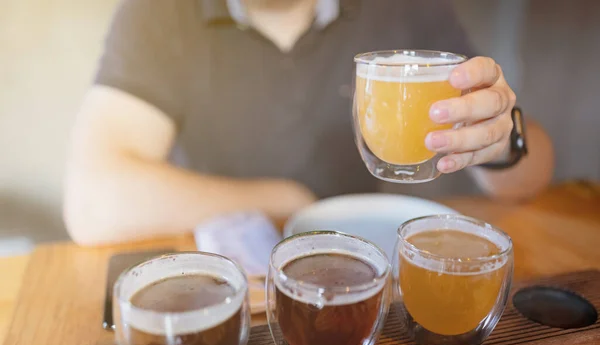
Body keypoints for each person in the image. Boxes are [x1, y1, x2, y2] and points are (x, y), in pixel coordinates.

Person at [64, 0, 554, 246]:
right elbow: (92, 200)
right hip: (226, 282)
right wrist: (290, 201)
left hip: (360, 267)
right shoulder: (161, 13)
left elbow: (530, 175)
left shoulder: (404, 8)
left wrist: (498, 141)